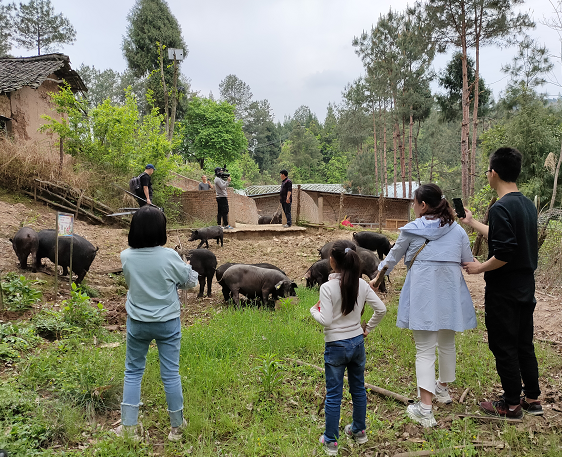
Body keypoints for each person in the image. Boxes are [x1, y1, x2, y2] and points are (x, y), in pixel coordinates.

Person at [371, 184, 476, 427]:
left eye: (414, 202)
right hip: (450, 290)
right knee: (447, 343)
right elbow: (467, 261)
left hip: (424, 290)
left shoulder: (411, 229)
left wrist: (377, 277)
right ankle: (442, 389)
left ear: (423, 205)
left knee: (425, 349)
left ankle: (425, 410)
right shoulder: (457, 231)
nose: (412, 205)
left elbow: (393, 257)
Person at [461, 147, 541, 419]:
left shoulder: (500, 207)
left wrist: (479, 267)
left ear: (493, 173)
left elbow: (504, 252)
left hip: (504, 290)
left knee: (503, 344)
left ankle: (511, 404)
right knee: (523, 343)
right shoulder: (526, 205)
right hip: (525, 286)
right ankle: (532, 398)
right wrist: (472, 223)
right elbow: (506, 239)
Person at [115, 205, 199, 441]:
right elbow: (189, 282)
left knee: (132, 372)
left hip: (137, 322)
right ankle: (176, 427)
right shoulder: (169, 255)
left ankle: (129, 428)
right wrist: (187, 269)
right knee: (170, 373)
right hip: (167, 323)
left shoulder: (126, 256)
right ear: (160, 230)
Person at [311, 240, 386, 456]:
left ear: (332, 261)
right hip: (357, 343)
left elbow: (325, 320)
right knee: (358, 389)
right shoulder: (362, 285)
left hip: (335, 346)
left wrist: (312, 311)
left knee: (334, 394)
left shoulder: (327, 287)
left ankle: (331, 441)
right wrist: (367, 328)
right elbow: (381, 309)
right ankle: (359, 431)